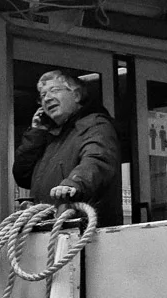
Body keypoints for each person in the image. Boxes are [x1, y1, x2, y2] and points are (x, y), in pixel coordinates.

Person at [12, 69, 122, 225]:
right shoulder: (52, 138)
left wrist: (74, 184)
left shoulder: (96, 126)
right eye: (43, 95)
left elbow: (97, 161)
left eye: (54, 90)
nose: (47, 98)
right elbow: (23, 176)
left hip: (84, 233)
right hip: (52, 229)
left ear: (76, 95)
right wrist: (36, 134)